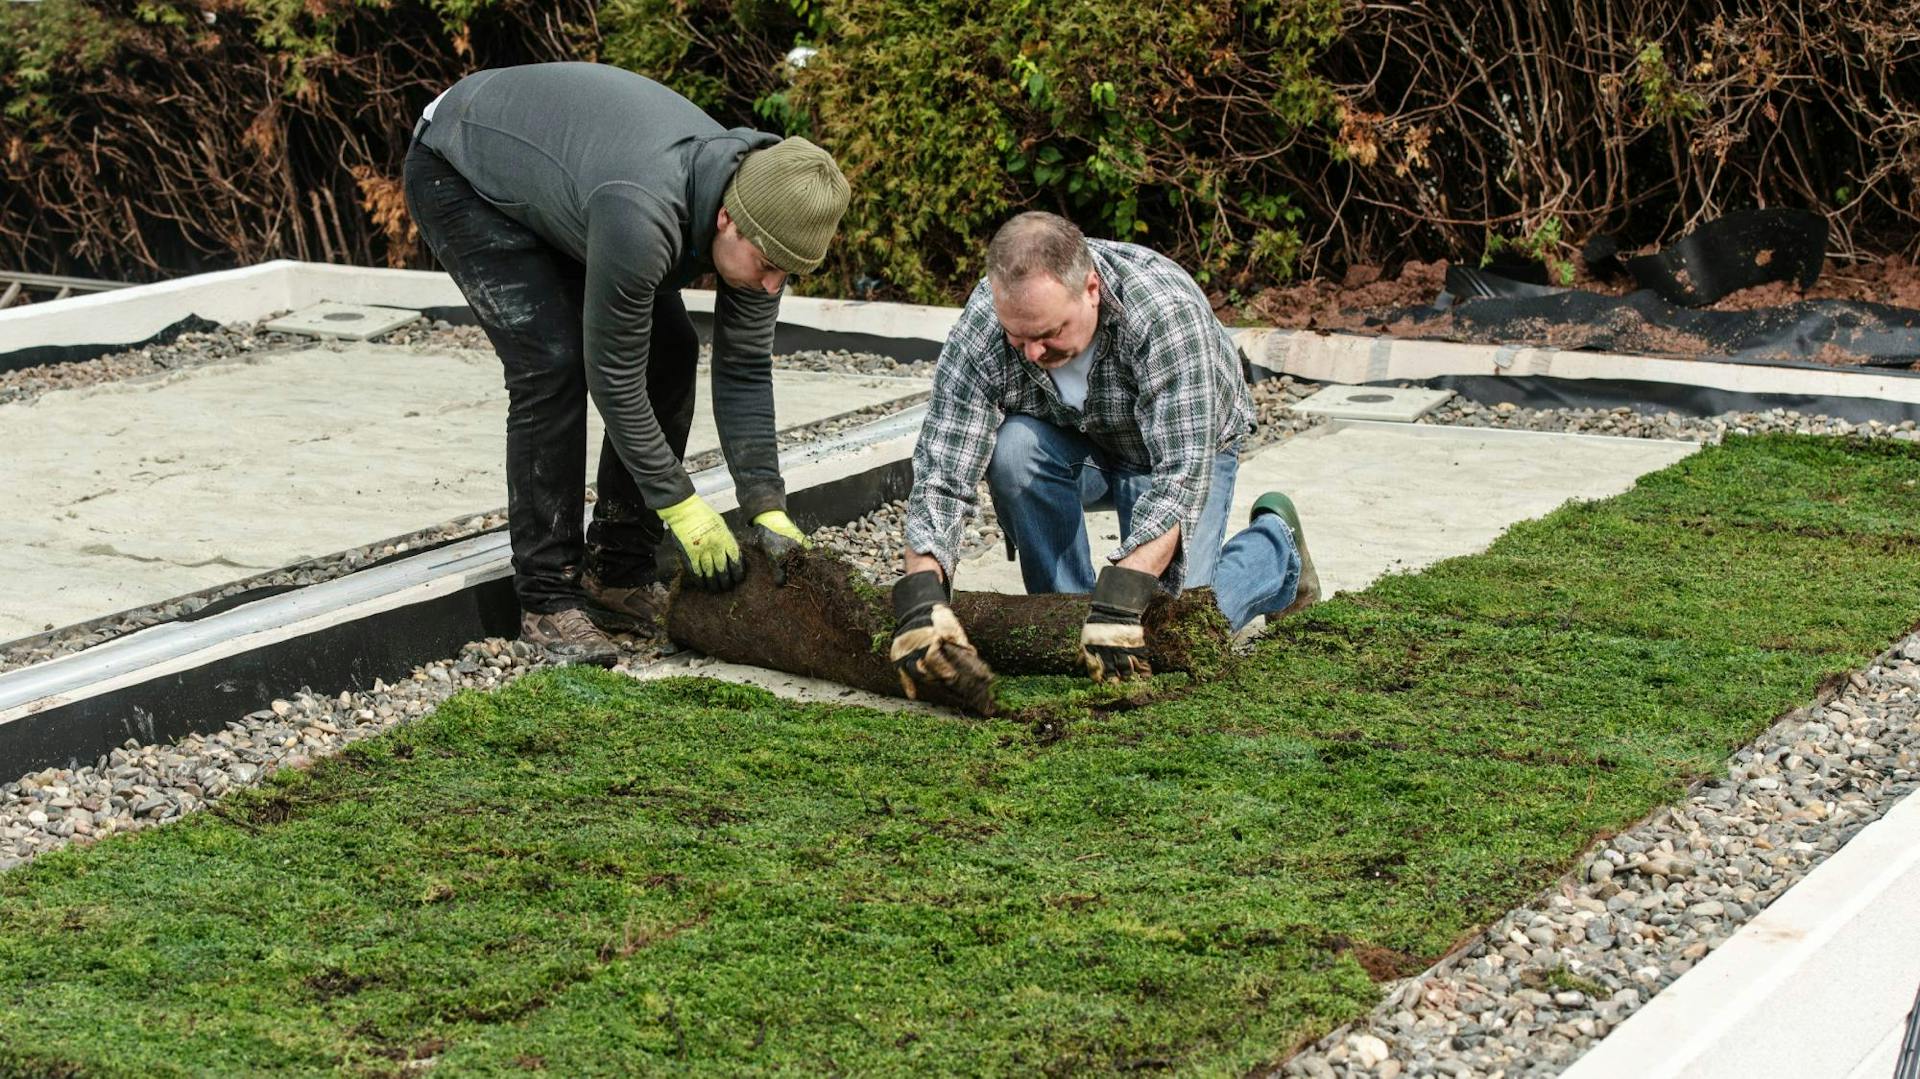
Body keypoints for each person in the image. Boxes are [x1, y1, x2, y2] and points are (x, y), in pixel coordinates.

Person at [403, 62, 850, 666]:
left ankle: (616, 572)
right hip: (461, 166)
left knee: (672, 353)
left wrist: (765, 503)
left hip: (580, 186)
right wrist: (680, 503)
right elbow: (613, 377)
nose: (773, 285)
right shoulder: (644, 211)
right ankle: (547, 597)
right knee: (552, 364)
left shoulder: (766, 216)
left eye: (787, 274)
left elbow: (744, 369)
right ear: (727, 218)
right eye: (769, 266)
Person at [888, 212, 1320, 701]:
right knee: (1013, 449)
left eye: (1049, 333)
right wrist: (922, 597)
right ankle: (1068, 616)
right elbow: (943, 471)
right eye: (1018, 338)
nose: (1032, 353)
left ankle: (1277, 548)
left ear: (1091, 289)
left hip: (1174, 455)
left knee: (1174, 627)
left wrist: (1123, 597)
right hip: (1081, 443)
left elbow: (1180, 477)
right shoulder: (986, 325)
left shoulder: (1163, 315)